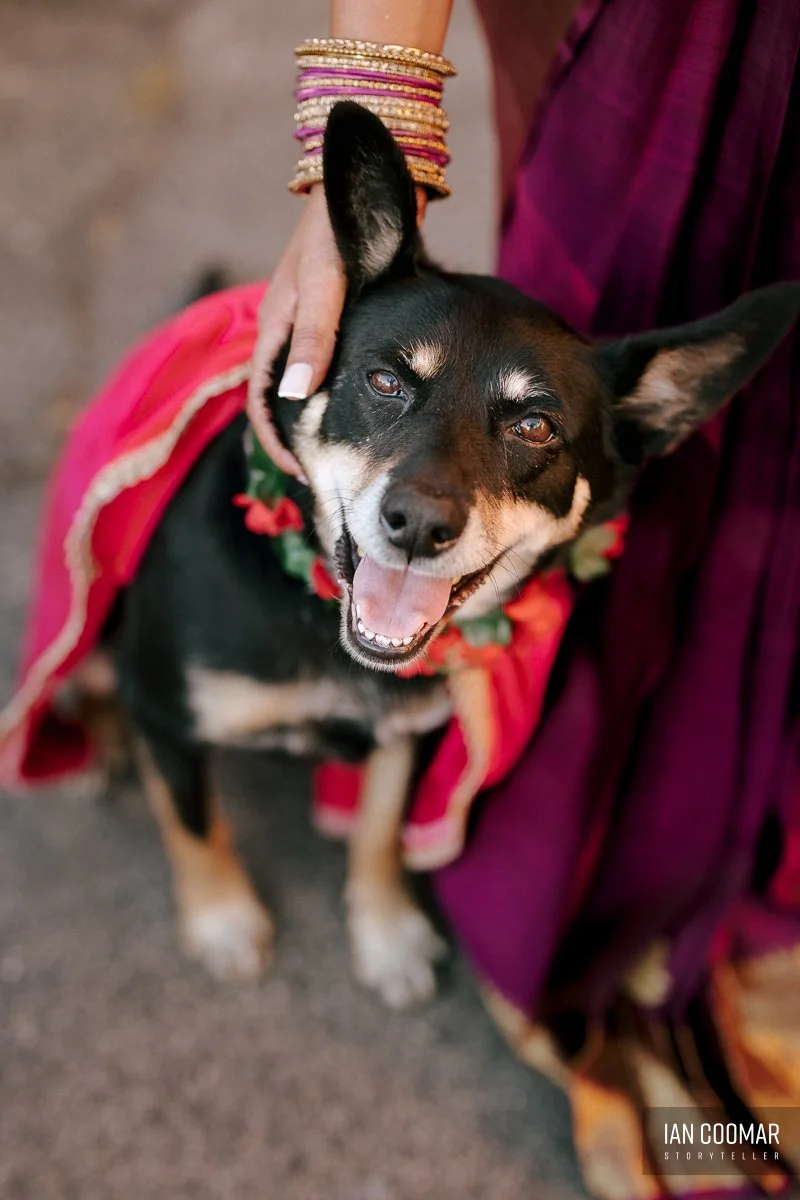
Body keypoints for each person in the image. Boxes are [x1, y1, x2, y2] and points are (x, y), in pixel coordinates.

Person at [248, 2, 800, 1197]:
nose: (423, 503)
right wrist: (368, 117)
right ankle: (577, 906)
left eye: (530, 434)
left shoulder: (617, 422)